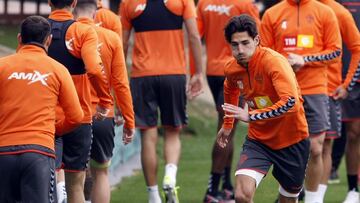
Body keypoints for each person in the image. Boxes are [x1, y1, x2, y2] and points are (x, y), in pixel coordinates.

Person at [217, 14, 310, 203]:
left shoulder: (273, 62)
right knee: (242, 195)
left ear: (257, 40)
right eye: (235, 45)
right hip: (258, 141)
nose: (240, 50)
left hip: (292, 140)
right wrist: (227, 124)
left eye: (245, 43)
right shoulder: (232, 69)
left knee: (288, 199)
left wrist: (250, 115)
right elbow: (230, 90)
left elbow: (290, 103)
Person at [120, 0, 204, 202]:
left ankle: (153, 195)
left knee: (148, 135)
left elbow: (121, 44)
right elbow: (194, 35)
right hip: (173, 74)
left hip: (142, 76)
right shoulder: (182, 1)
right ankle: (170, 174)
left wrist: (121, 79)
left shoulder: (128, 3)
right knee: (173, 131)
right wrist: (198, 72)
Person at [260, 1, 342, 202]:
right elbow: (262, 54)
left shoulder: (325, 12)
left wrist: (305, 60)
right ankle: (289, 196)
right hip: (283, 91)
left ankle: (314, 199)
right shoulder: (272, 14)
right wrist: (283, 64)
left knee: (316, 149)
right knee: (286, 149)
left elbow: (335, 51)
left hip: (315, 90)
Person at [0, 15, 83, 203]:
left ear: (20, 39)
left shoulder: (2, 66)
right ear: (48, 40)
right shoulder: (58, 69)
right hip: (39, 152)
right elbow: (76, 116)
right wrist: (54, 129)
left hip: (3, 151)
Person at [192, 0, 260, 202]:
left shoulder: (204, 3)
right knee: (226, 129)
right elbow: (257, 38)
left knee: (227, 128)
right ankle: (212, 190)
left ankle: (226, 185)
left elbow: (197, 35)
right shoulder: (244, 4)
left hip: (212, 71)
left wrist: (195, 70)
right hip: (234, 70)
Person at [47, 0, 113, 203]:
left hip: (46, 116)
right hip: (79, 116)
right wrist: (104, 99)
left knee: (46, 181)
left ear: (49, 2)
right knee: (77, 184)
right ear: (74, 3)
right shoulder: (83, 31)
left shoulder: (36, 28)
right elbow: (94, 69)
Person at [73, 0, 136, 202]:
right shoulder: (110, 37)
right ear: (95, 14)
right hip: (103, 115)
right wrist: (128, 119)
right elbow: (121, 83)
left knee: (74, 176)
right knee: (101, 173)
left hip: (73, 115)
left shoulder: (67, 35)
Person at [317, 0, 360, 202]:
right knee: (317, 139)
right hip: (326, 80)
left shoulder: (342, 10)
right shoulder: (327, 6)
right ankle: (302, 191)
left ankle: (353, 190)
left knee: (354, 134)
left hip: (352, 79)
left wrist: (349, 82)